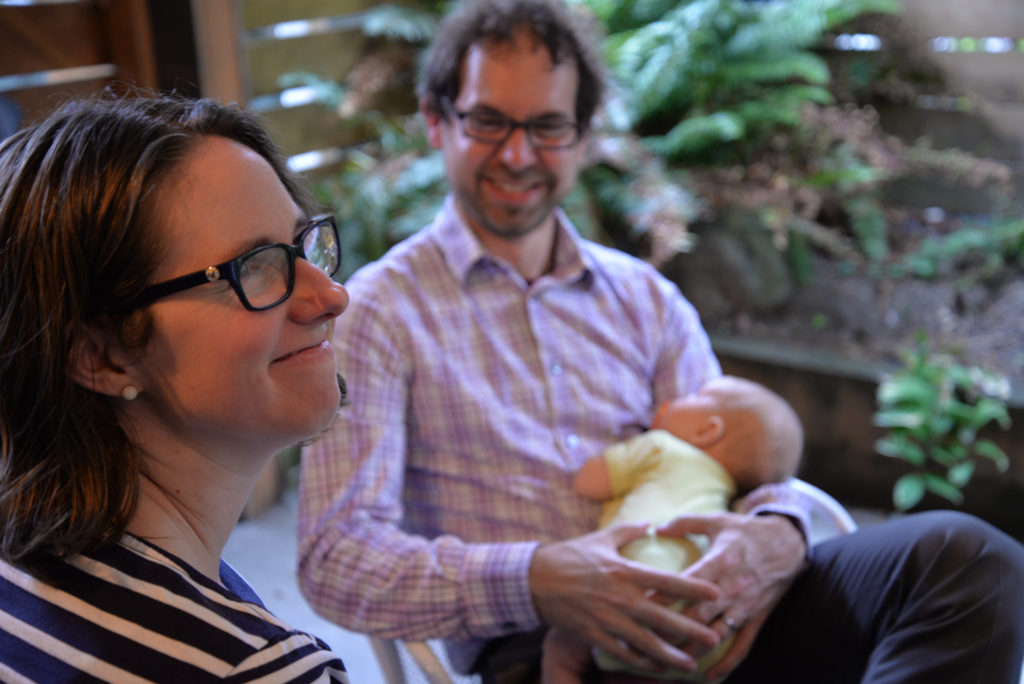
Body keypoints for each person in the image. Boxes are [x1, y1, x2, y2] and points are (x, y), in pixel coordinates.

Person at [297, 1, 1024, 682]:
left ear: (583, 137)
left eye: (548, 126)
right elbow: (337, 559)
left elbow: (740, 460)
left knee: (969, 560)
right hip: (553, 650)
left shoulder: (643, 298)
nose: (518, 155)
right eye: (489, 120)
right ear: (436, 120)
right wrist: (541, 578)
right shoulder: (379, 314)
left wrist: (780, 532)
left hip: (715, 599)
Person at [0, 93, 351, 682]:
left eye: (300, 245)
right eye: (254, 266)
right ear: (102, 355)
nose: (332, 297)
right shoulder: (255, 670)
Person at [574, 376, 803, 681]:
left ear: (707, 430)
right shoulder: (730, 498)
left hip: (631, 592)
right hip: (705, 639)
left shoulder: (661, 447)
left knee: (589, 657)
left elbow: (588, 482)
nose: (673, 399)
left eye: (694, 395)